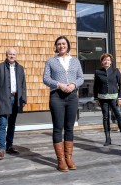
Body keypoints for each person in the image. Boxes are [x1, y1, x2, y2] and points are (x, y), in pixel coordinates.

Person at [43, 36, 84, 172]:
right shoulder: (51, 61)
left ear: (68, 46)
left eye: (64, 44)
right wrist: (59, 84)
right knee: (58, 127)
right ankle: (60, 160)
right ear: (56, 46)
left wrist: (73, 84)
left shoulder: (75, 61)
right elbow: (46, 78)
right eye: (59, 44)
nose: (61, 46)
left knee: (69, 128)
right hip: (57, 96)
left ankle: (69, 157)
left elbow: (81, 78)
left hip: (72, 96)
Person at [0, 48, 27, 160]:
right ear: (6, 55)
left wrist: (23, 99)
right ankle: (1, 148)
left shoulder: (20, 68)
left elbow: (23, 85)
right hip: (3, 100)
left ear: (16, 56)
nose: (12, 56)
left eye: (14, 54)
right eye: (10, 54)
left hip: (16, 99)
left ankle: (9, 146)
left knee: (12, 124)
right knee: (2, 124)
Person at [93, 53, 121, 148]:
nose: (107, 61)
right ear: (102, 62)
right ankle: (108, 139)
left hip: (114, 98)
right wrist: (96, 98)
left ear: (111, 62)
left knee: (119, 117)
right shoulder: (98, 72)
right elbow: (95, 86)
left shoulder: (115, 71)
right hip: (103, 98)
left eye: (108, 60)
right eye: (105, 60)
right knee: (105, 117)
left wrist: (120, 97)